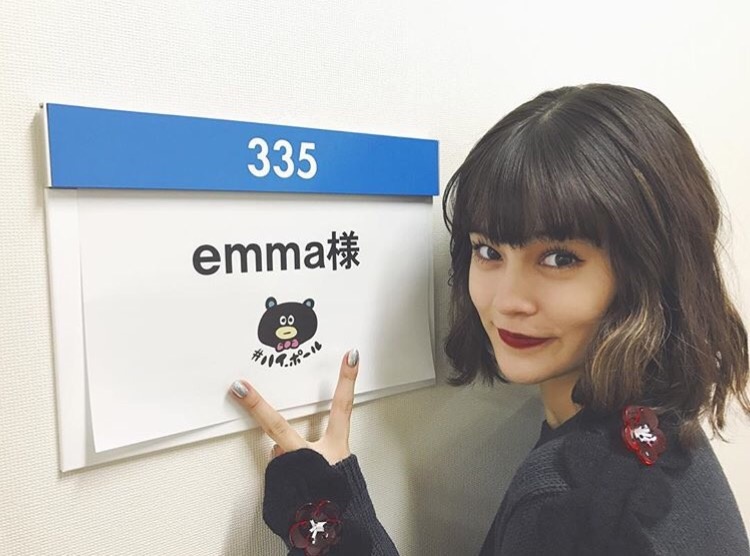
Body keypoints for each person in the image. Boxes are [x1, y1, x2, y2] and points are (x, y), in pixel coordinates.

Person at [228, 84, 750, 555]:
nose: (507, 300)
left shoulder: (567, 500)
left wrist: (319, 517)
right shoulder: (657, 431)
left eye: (559, 258)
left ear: (651, 267)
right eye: (488, 250)